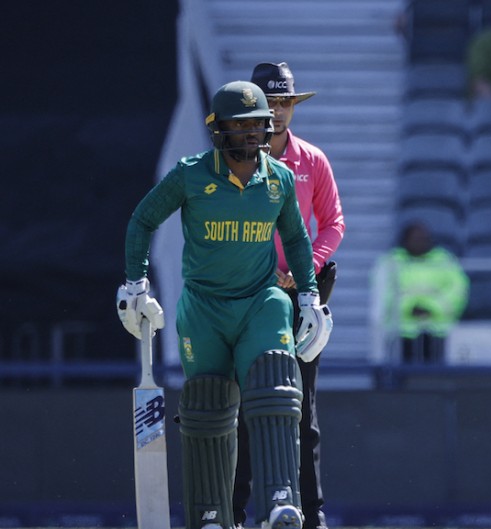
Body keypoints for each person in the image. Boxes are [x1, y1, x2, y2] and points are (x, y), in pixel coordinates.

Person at [116, 81, 333, 529]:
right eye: (240, 125)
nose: (251, 135)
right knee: (208, 408)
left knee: (276, 382)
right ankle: (210, 514)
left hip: (260, 299)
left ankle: (280, 503)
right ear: (218, 129)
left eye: (258, 125)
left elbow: (294, 236)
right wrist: (135, 283)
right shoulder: (191, 173)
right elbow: (142, 219)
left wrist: (309, 295)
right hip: (204, 307)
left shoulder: (281, 179)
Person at [229, 62, 346, 529]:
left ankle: (310, 515)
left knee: (301, 404)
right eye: (269, 103)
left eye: (284, 103)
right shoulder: (233, 161)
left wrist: (303, 270)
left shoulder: (312, 161)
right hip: (243, 293)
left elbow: (334, 224)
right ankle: (232, 511)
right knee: (238, 405)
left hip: (299, 294)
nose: (276, 113)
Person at [371, 221, 469, 364]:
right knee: (402, 377)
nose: (420, 242)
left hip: (438, 332)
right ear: (405, 240)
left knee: (436, 376)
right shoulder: (390, 261)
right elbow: (384, 292)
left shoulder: (444, 260)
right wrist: (410, 307)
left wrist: (431, 308)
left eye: (424, 238)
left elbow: (458, 289)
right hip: (402, 333)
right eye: (415, 239)